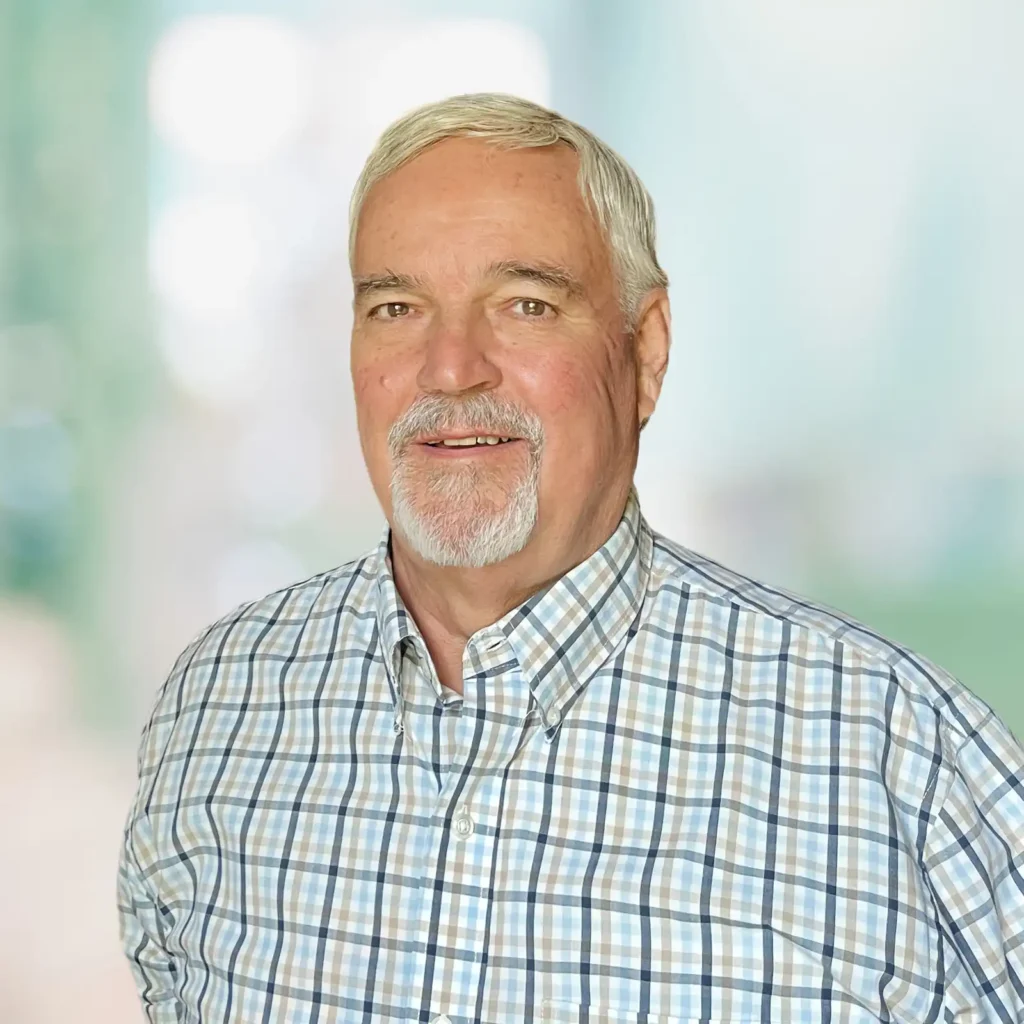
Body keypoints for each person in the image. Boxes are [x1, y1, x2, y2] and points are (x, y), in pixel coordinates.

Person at [118, 93, 1024, 1024]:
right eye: (396, 306)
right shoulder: (216, 706)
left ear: (648, 353)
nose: (450, 366)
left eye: (525, 304)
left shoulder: (898, 757)